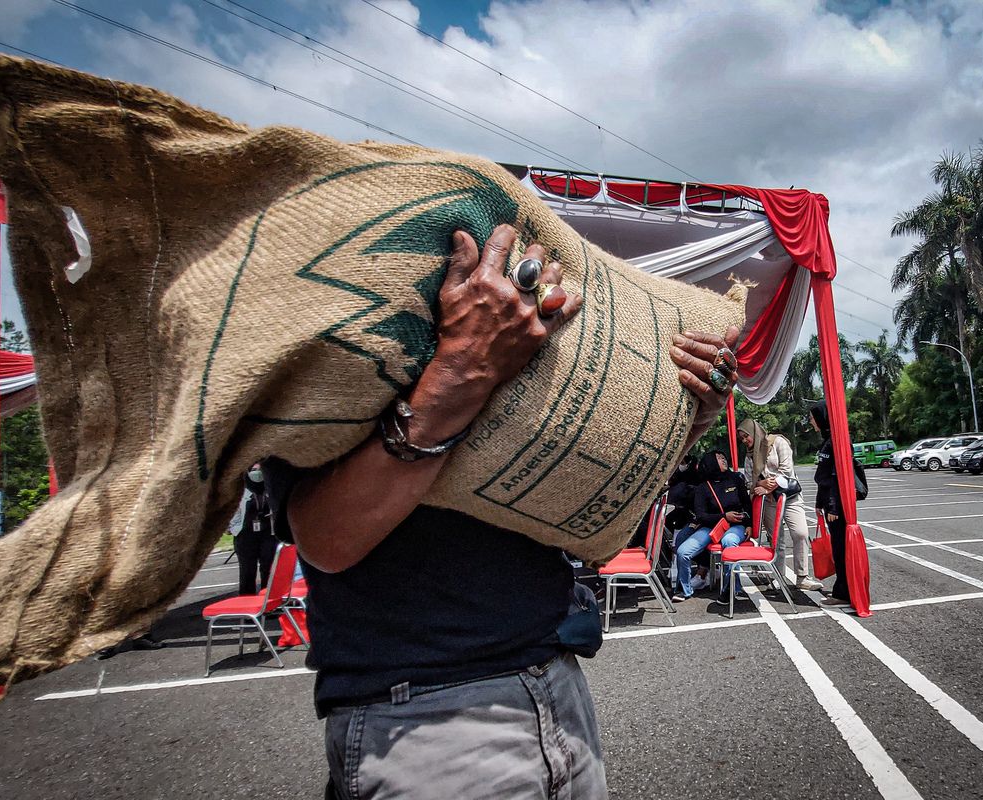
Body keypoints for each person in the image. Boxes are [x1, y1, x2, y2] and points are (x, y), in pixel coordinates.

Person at [258, 224, 739, 800]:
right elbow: (327, 539)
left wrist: (688, 414)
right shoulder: (332, 342)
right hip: (426, 723)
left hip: (560, 687)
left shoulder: (528, 345)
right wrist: (464, 370)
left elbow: (600, 516)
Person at [738, 420, 823, 591]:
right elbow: (749, 482)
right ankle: (778, 575)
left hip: (790, 496)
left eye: (746, 436)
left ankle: (802, 576)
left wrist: (768, 483)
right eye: (741, 438)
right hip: (769, 500)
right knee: (777, 540)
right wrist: (761, 484)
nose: (744, 440)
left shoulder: (778, 442)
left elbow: (786, 470)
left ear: (755, 431)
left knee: (800, 533)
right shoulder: (749, 456)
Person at [672, 450, 751, 602]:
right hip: (711, 527)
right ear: (710, 462)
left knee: (729, 541)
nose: (724, 460)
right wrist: (723, 516)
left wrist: (749, 524)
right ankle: (684, 590)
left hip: (736, 526)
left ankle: (730, 589)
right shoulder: (703, 487)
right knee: (683, 551)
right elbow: (701, 515)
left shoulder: (736, 479)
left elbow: (747, 504)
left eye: (724, 457)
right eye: (719, 458)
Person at [811, 401, 852, 607]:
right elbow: (823, 476)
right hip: (828, 502)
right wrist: (819, 502)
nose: (811, 421)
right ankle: (841, 589)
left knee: (841, 549)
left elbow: (837, 477)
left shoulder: (836, 441)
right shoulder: (827, 440)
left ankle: (843, 593)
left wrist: (833, 506)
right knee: (838, 549)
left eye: (813, 417)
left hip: (837, 506)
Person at [228, 463, 278, 595]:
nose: (257, 473)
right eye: (254, 470)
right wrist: (232, 528)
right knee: (247, 570)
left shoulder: (270, 488)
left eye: (260, 470)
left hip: (268, 534)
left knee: (268, 568)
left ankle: (269, 599)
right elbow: (232, 511)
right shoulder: (241, 490)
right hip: (245, 535)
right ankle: (246, 599)